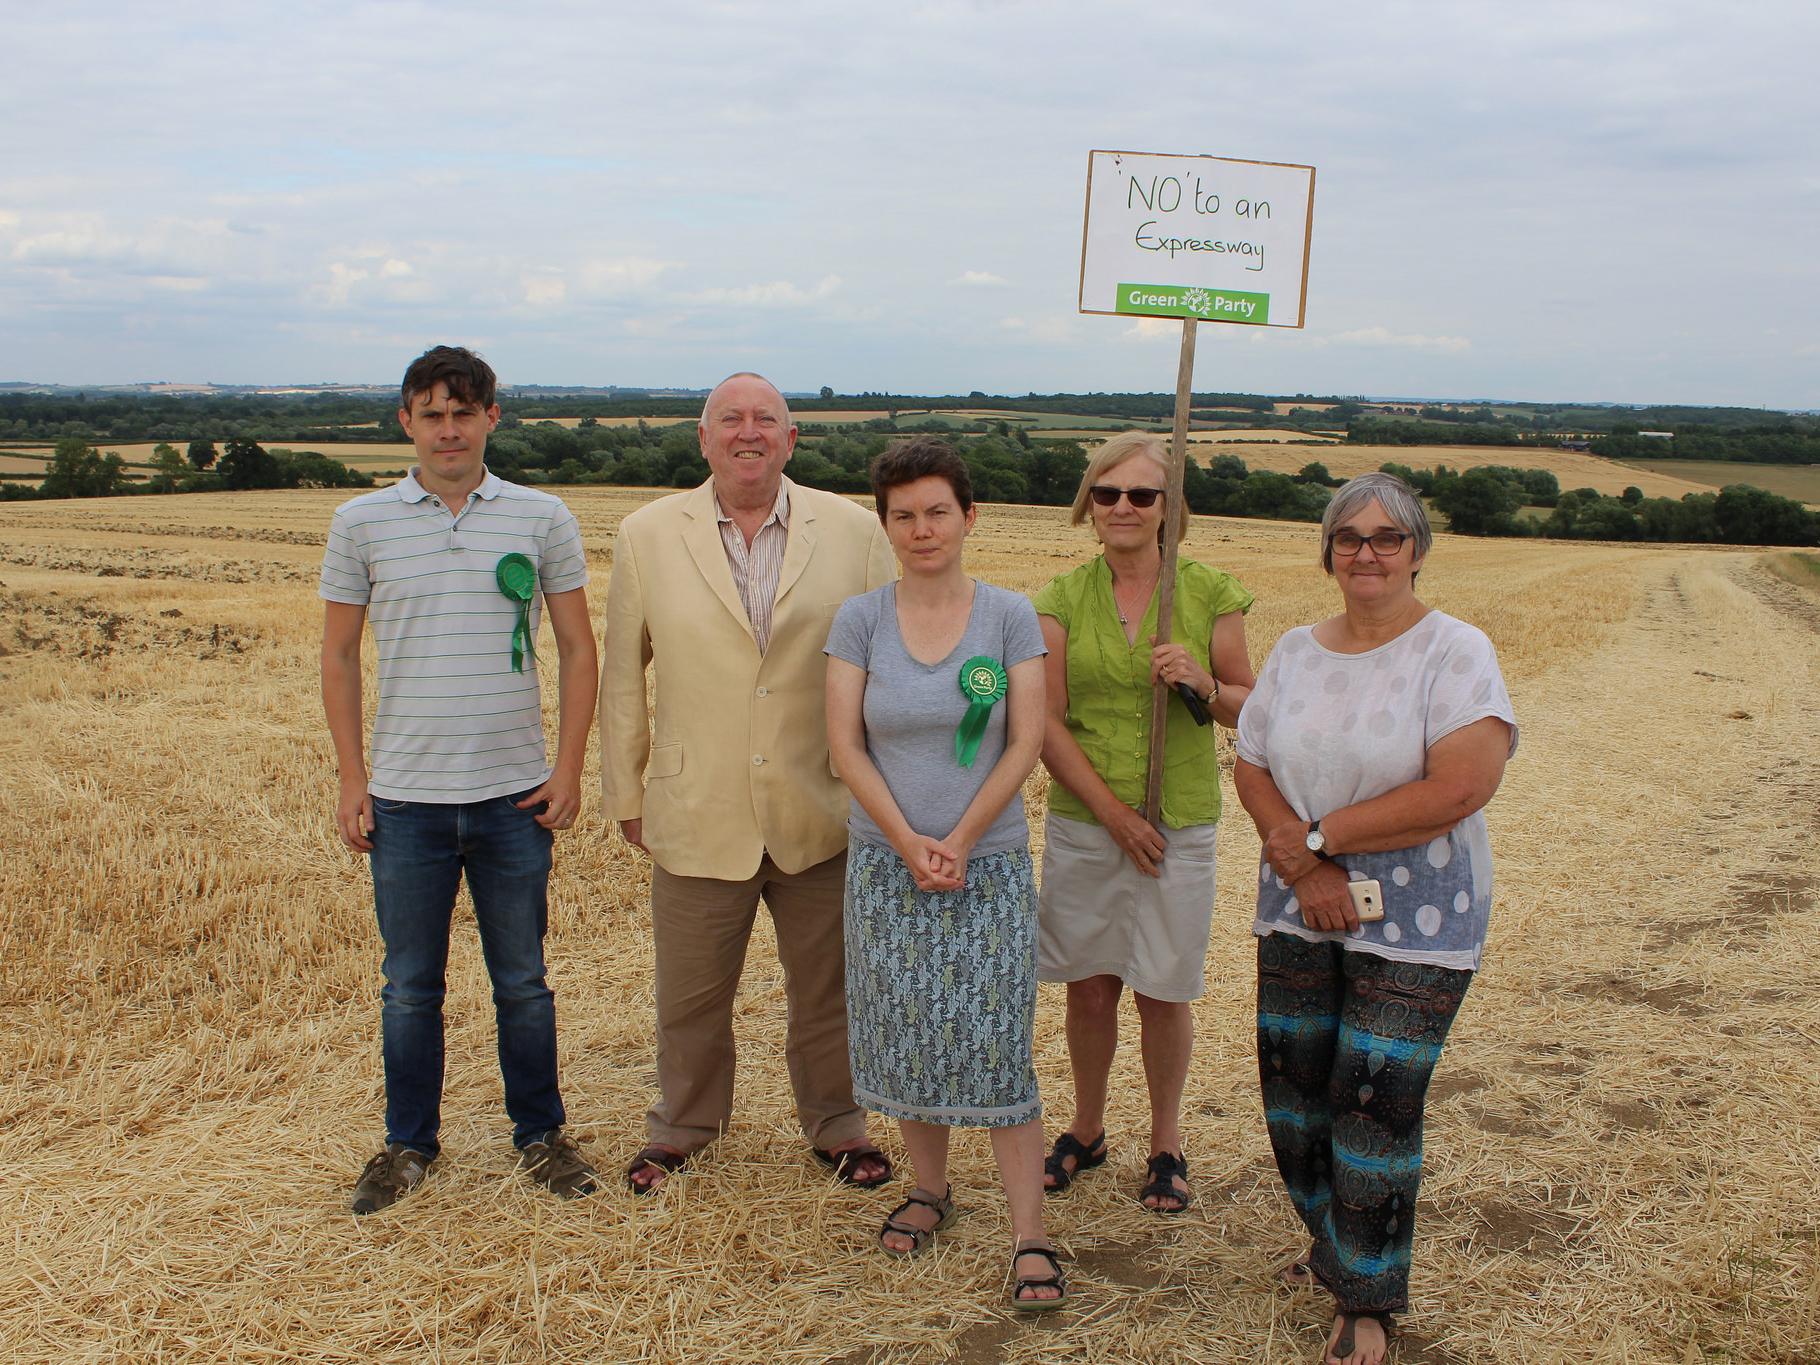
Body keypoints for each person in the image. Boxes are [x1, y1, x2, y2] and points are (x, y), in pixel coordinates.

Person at [1232, 472, 1517, 1365]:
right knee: (1297, 1088)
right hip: (1297, 903)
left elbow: (1460, 785)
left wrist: (1319, 837)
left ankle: (1365, 1299)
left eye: (1387, 537)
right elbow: (1250, 758)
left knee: (1375, 1099)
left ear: (1417, 551)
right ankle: (1332, 1240)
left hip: (1420, 916)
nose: (1366, 551)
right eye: (1348, 536)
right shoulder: (1294, 649)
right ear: (1327, 552)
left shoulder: (1454, 650)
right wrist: (1303, 860)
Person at [599, 372, 897, 1194]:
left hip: (822, 803)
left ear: (791, 440)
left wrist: (890, 796)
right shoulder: (646, 534)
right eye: (730, 418)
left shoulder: (854, 531)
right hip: (696, 806)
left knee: (828, 989)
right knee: (690, 996)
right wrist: (625, 794)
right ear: (704, 438)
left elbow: (885, 666)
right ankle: (684, 1126)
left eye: (766, 418)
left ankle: (839, 1125)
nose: (748, 431)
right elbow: (624, 674)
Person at [320, 345, 600, 1214]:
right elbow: (336, 654)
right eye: (431, 413)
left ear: (491, 420)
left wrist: (568, 767)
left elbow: (579, 645)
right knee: (410, 986)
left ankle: (541, 1136)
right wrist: (352, 778)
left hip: (515, 796)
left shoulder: (541, 516)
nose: (449, 428)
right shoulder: (361, 523)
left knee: (522, 979)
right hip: (404, 800)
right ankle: (408, 1145)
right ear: (406, 421)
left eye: (464, 411)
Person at [824, 437, 1065, 1310]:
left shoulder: (1009, 614)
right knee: (904, 1031)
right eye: (902, 514)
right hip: (885, 868)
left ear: (968, 516)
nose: (920, 529)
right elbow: (845, 744)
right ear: (884, 522)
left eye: (936, 511)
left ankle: (1029, 1232)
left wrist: (959, 838)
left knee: (998, 1043)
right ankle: (930, 1188)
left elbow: (1027, 739)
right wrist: (907, 839)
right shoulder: (860, 619)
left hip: (988, 866)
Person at [1032, 431, 1255, 1214]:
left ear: (1170, 507)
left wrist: (1200, 679)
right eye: (1107, 493)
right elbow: (1048, 723)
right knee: (1089, 988)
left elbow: (1249, 707)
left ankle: (1166, 1140)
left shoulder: (1210, 593)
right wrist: (1114, 814)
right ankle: (1086, 1127)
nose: (1122, 507)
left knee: (1163, 988)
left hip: (1180, 824)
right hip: (1088, 824)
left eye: (1142, 495)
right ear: (1088, 503)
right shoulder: (1060, 600)